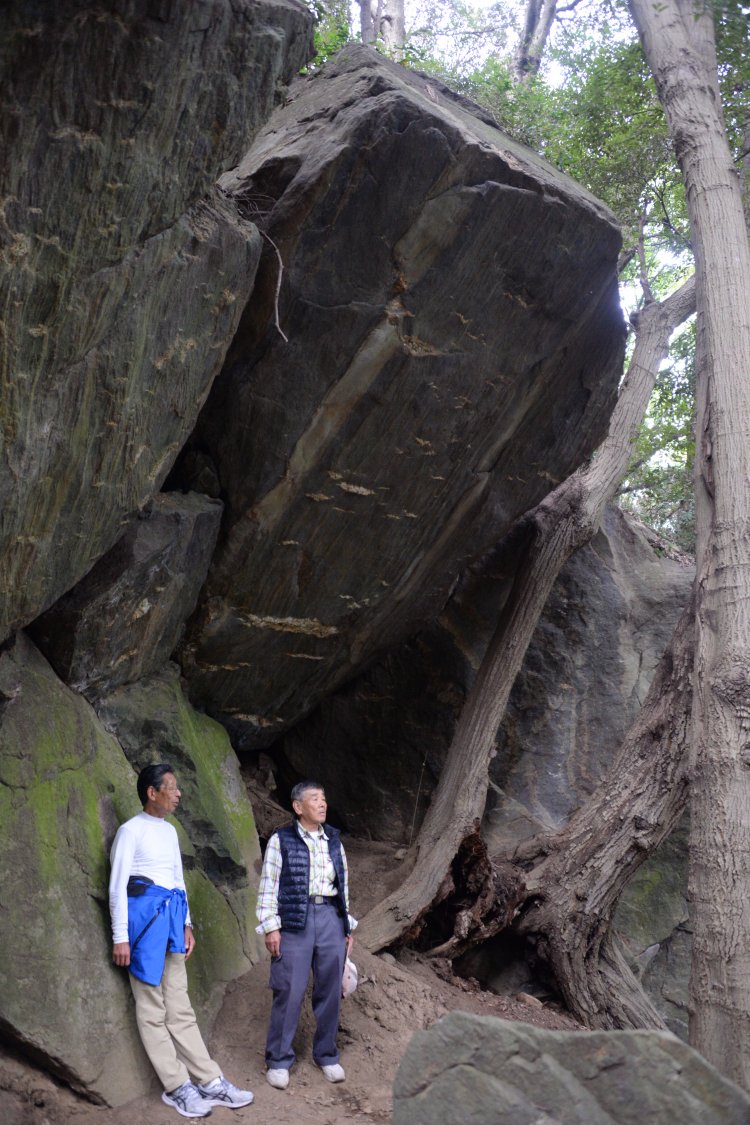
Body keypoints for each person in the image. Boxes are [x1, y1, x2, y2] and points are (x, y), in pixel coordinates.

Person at [109, 762, 254, 1119]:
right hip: (144, 929)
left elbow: (177, 880)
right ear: (152, 792)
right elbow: (117, 887)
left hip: (171, 925)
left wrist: (186, 925)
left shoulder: (170, 831)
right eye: (171, 787)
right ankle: (177, 1087)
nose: (178, 794)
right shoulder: (130, 831)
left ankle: (210, 1080)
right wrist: (120, 937)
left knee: (180, 1007)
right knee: (152, 1010)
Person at [256, 780, 355, 1090]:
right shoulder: (281, 840)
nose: (322, 804)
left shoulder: (334, 840)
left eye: (323, 798)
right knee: (289, 988)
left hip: (330, 917)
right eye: (315, 799)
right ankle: (278, 1060)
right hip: (294, 921)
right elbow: (269, 885)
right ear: (298, 807)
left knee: (330, 989)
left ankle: (326, 1055)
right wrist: (270, 926)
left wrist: (346, 926)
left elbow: (343, 886)